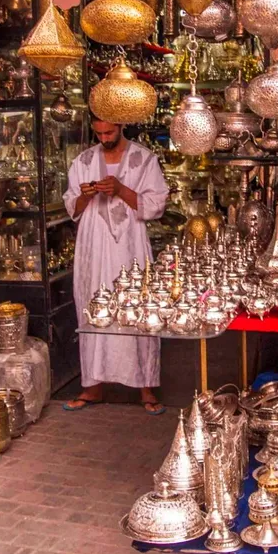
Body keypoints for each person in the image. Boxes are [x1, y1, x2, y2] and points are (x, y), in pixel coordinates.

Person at [62, 117, 169, 414]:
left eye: (109, 131)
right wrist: (84, 196)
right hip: (93, 247)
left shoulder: (143, 159)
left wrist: (121, 190)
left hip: (129, 245)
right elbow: (72, 207)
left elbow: (156, 205)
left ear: (121, 125)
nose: (104, 137)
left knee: (136, 305)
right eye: (98, 132)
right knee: (93, 306)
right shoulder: (83, 161)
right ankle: (92, 386)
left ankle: (146, 387)